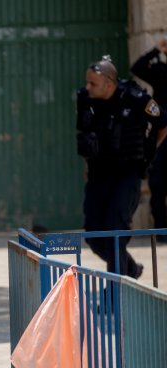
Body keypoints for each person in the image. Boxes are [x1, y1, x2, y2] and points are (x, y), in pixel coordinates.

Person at [77, 56, 167, 277]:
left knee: (114, 232)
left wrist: (149, 155)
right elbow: (85, 137)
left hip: (128, 174)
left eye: (93, 83)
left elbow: (163, 123)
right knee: (94, 236)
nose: (87, 87)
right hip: (99, 175)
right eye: (87, 82)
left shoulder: (135, 99)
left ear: (109, 83)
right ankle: (131, 269)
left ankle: (114, 296)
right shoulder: (86, 100)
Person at [131, 37, 167, 238]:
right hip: (162, 133)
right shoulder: (160, 71)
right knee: (158, 182)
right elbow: (137, 67)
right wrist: (156, 50)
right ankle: (162, 231)